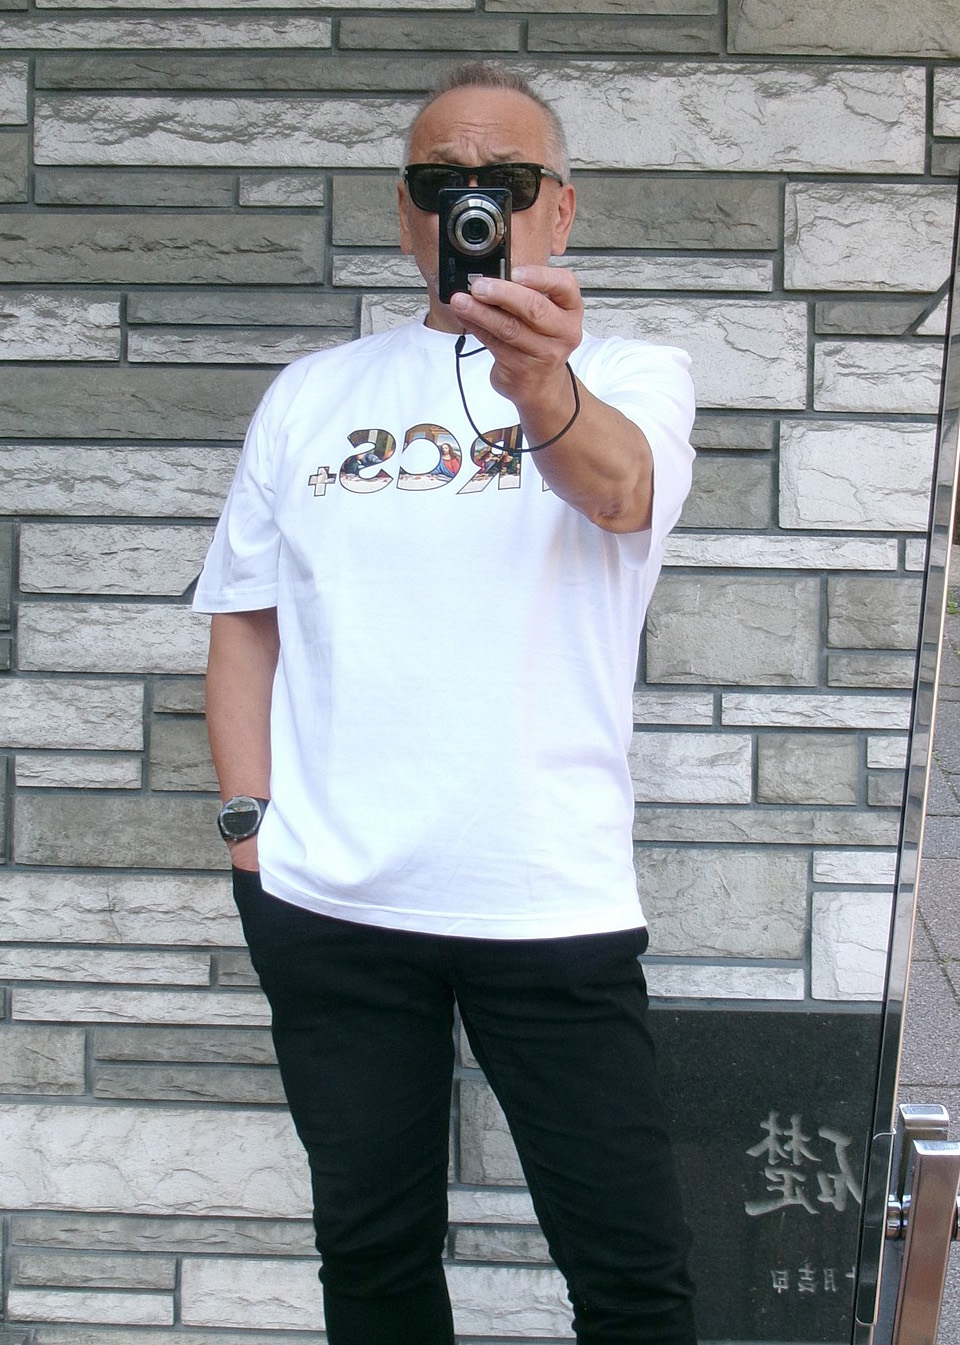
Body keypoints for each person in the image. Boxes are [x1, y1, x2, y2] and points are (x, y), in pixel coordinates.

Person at [194, 61, 697, 1345]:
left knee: (631, 1275)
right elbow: (245, 621)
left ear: (560, 208)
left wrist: (543, 386)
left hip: (547, 897)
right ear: (407, 212)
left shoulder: (632, 373)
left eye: (509, 181)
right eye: (443, 181)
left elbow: (621, 492)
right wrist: (250, 832)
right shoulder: (312, 393)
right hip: (331, 903)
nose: (475, 202)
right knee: (370, 1257)